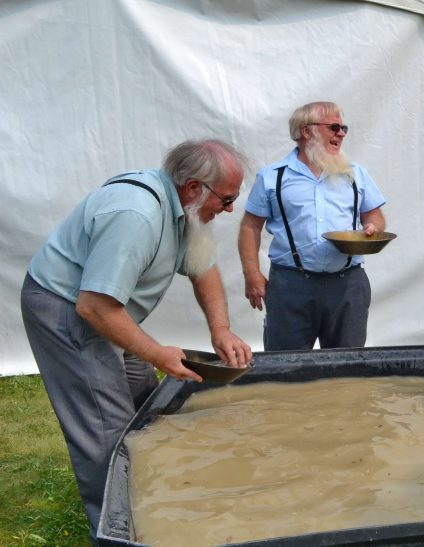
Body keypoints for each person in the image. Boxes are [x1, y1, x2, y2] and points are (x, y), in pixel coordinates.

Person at [20, 139, 253, 538]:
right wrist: (158, 353)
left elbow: (204, 270)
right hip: (66, 309)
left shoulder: (185, 210)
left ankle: (158, 500)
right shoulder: (137, 214)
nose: (229, 209)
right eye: (227, 199)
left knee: (147, 402)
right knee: (105, 430)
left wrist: (220, 329)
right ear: (194, 187)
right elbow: (93, 307)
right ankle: (120, 534)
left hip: (109, 310)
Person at [239, 101, 386, 351]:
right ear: (306, 131)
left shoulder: (355, 173)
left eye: (344, 128)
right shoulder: (273, 176)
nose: (341, 133)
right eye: (334, 127)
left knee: (347, 368)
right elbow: (249, 228)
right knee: (285, 367)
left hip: (348, 285)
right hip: (290, 286)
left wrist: (372, 228)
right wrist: (251, 274)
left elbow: (374, 216)